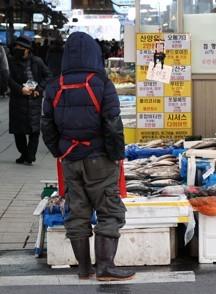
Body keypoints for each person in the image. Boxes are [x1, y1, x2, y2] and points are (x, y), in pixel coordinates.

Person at [41, 32, 134, 281]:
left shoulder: (54, 85)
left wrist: (58, 151)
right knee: (110, 211)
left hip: (70, 158)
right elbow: (113, 122)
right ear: (94, 53)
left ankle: (84, 269)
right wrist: (117, 154)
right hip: (100, 158)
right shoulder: (102, 83)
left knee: (77, 212)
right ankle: (105, 267)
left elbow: (46, 124)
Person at [8, 35, 51, 165]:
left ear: (28, 49)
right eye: (17, 46)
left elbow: (48, 75)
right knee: (18, 130)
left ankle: (31, 155)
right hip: (18, 99)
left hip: (34, 99)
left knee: (34, 130)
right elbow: (8, 79)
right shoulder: (11, 61)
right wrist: (20, 89)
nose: (18, 49)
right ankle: (24, 153)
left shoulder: (37, 61)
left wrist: (39, 88)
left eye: (21, 47)